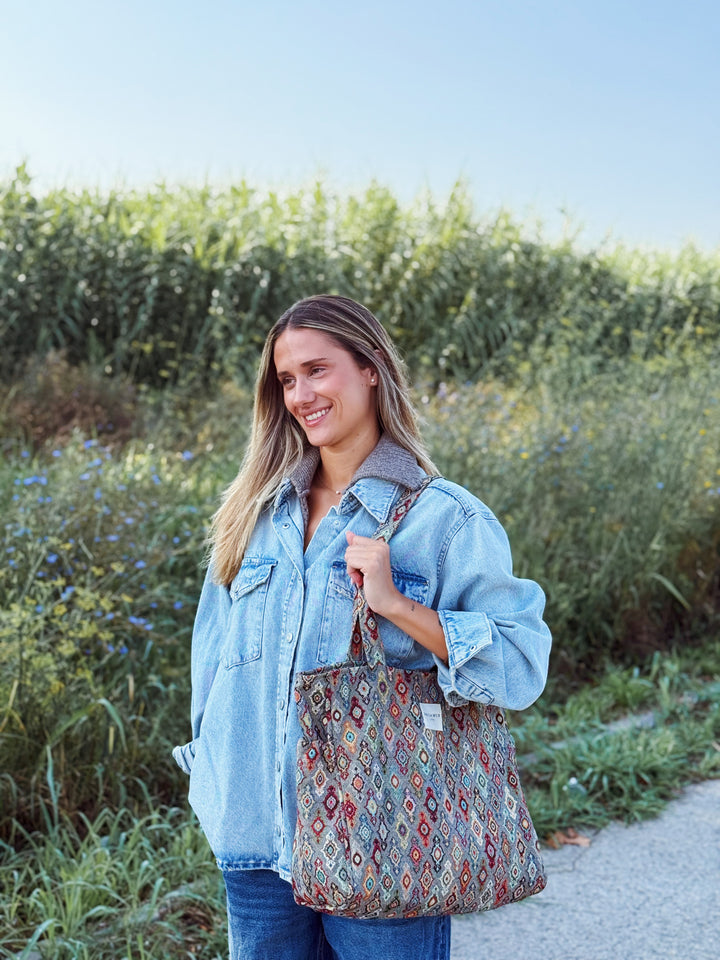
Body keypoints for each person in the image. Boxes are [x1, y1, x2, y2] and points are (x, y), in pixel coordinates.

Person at [173, 294, 552, 960]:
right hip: (255, 843)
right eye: (287, 380)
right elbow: (212, 664)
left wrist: (398, 606)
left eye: (318, 370)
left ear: (371, 368)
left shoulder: (445, 520)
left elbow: (519, 666)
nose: (301, 393)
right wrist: (214, 785)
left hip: (382, 841)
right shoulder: (252, 517)